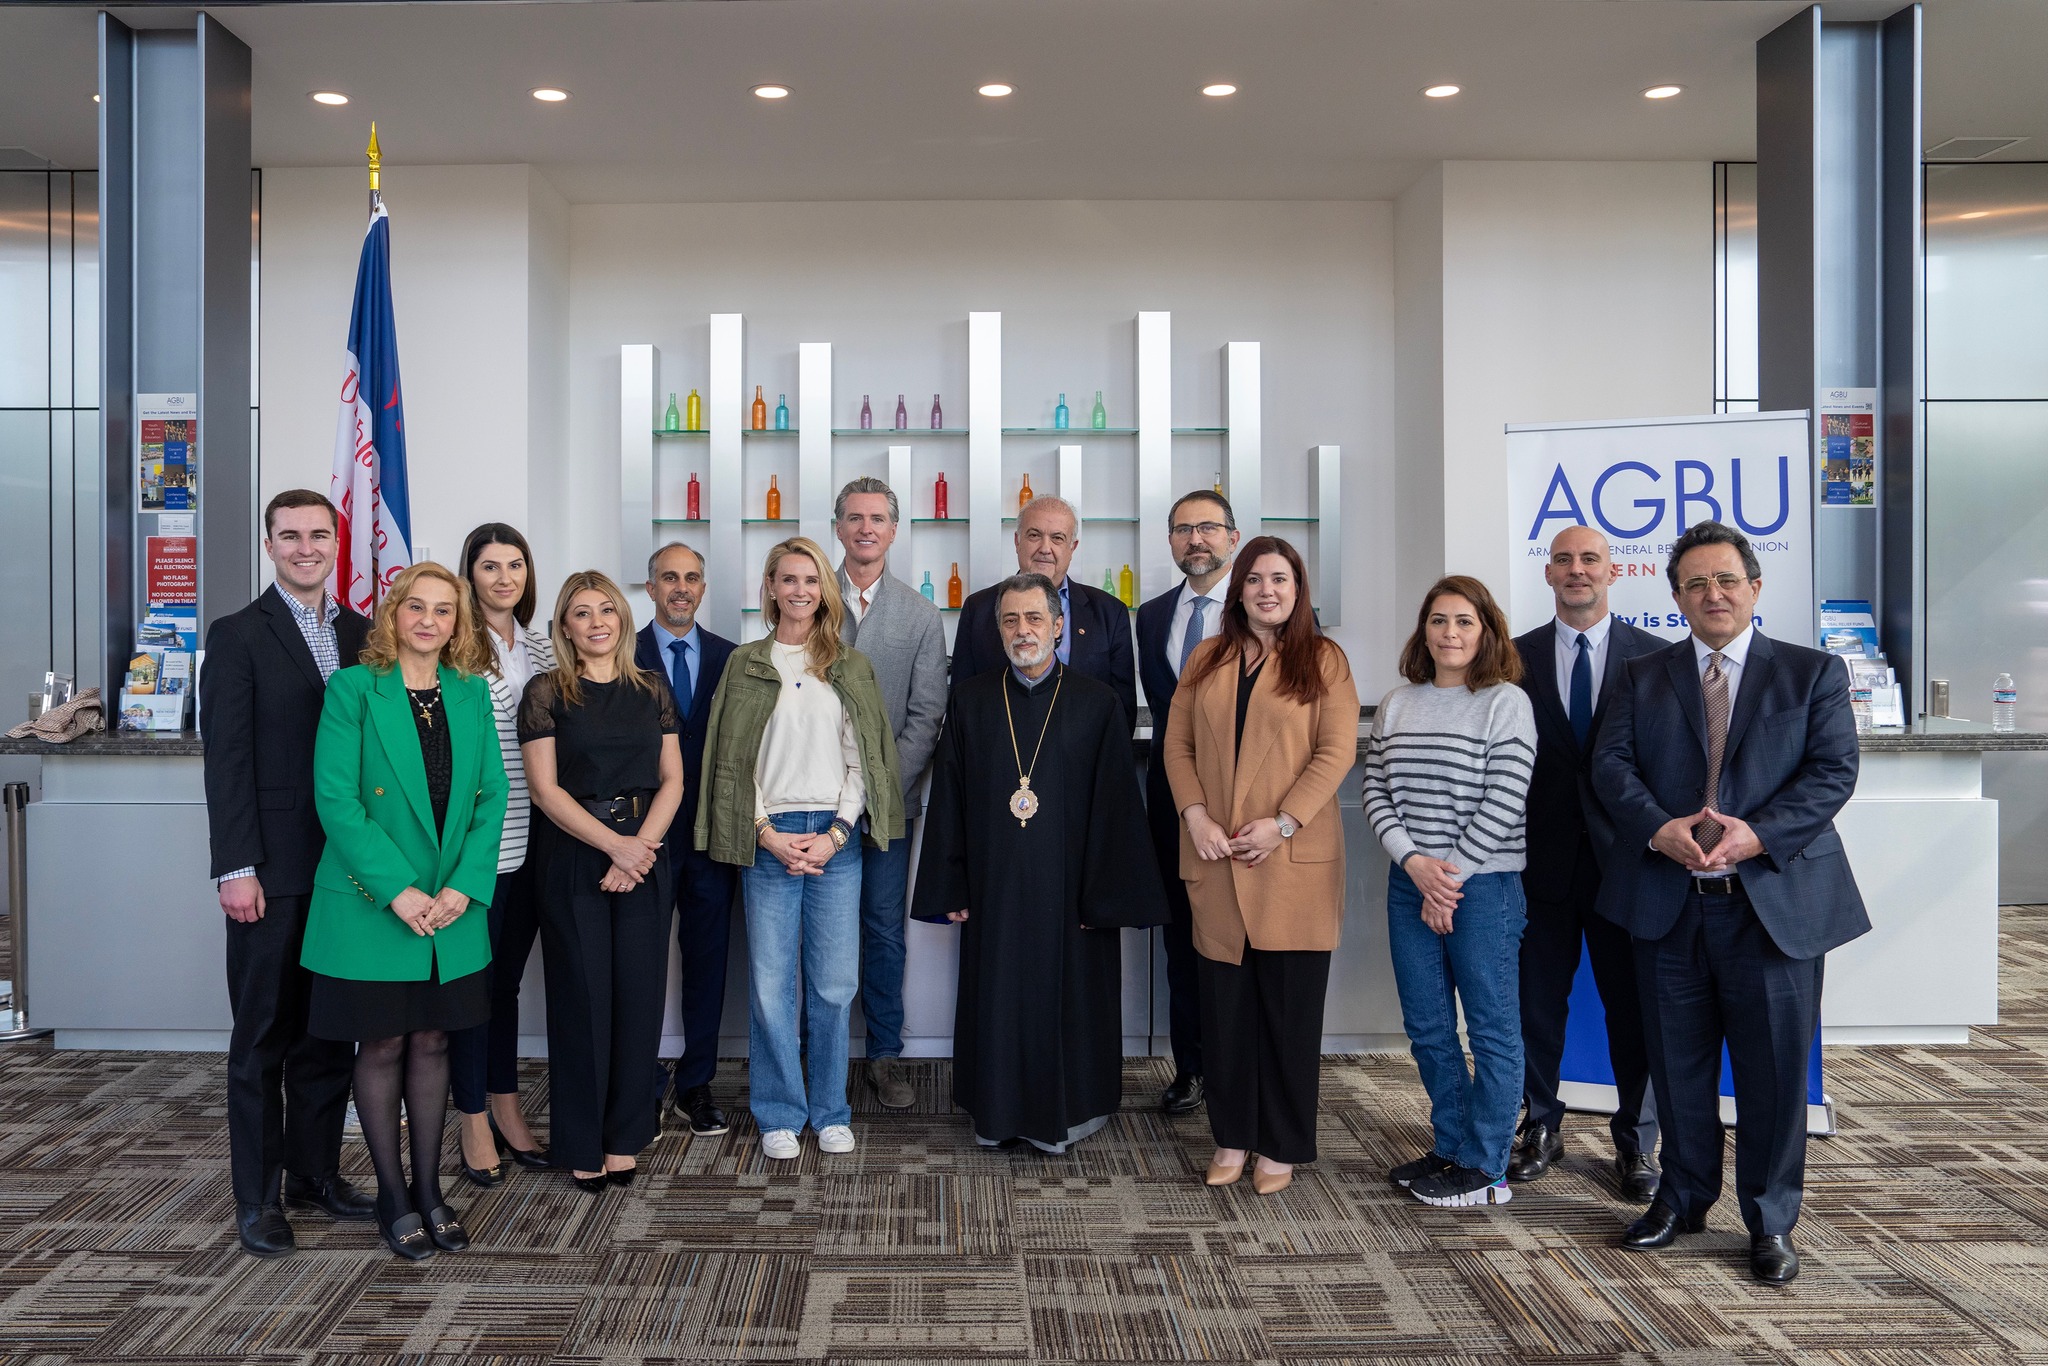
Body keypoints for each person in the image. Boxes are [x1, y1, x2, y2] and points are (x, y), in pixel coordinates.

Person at [1592, 520, 1867, 1286]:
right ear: (1676, 596)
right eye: (1695, 584)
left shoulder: (1811, 673)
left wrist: (1757, 835)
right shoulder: (1645, 675)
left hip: (1772, 905)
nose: (1712, 594)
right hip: (1668, 901)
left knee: (1774, 1075)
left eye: (1726, 580)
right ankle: (1681, 1200)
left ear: (1754, 586)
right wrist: (1658, 828)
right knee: (1676, 1068)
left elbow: (1832, 772)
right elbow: (1609, 766)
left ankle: (1772, 1221)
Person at [914, 572, 1169, 1153]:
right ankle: (996, 1115)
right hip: (995, 885)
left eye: (1034, 619)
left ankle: (1072, 1112)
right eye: (1010, 620)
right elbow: (950, 798)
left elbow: (1115, 808)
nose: (1022, 631)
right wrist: (950, 883)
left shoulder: (1096, 702)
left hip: (1070, 893)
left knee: (1070, 997)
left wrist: (1101, 899)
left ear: (1058, 627)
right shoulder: (973, 700)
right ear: (997, 629)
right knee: (998, 995)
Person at [303, 561, 508, 1260]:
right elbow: (337, 800)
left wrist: (464, 887)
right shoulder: (355, 689)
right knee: (383, 1043)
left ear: (459, 623)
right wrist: (399, 890)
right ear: (392, 614)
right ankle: (392, 1195)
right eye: (416, 607)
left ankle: (430, 1189)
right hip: (375, 904)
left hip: (451, 905)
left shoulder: (472, 693)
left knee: (435, 1042)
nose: (429, 620)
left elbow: (491, 797)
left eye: (444, 611)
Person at [201, 488, 375, 1259]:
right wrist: (236, 868)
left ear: (337, 542)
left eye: (318, 535)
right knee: (262, 1040)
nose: (306, 547)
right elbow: (228, 763)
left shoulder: (366, 633)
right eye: (290, 536)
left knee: (329, 1037)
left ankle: (314, 1175)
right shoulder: (238, 635)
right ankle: (258, 1198)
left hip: (349, 873)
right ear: (269, 545)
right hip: (269, 873)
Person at [696, 538, 902, 1161]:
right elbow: (731, 764)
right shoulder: (745, 663)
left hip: (835, 837)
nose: (801, 590)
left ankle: (830, 1110)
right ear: (771, 587)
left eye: (811, 579)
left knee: (835, 985)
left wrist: (838, 832)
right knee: (769, 986)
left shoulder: (850, 665)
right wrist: (766, 833)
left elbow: (865, 759)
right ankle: (779, 1112)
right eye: (788, 579)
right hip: (769, 836)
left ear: (824, 589)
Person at [1163, 537, 1356, 1196]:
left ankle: (1281, 1144)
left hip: (1290, 861)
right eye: (1255, 580)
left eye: (1281, 579)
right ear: (1237, 590)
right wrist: (1196, 818)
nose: (1267, 590)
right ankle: (1232, 1136)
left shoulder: (1323, 660)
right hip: (1216, 857)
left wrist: (1281, 824)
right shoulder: (1206, 658)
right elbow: (1177, 746)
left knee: (1287, 1016)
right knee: (1226, 1017)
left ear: (1298, 589)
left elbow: (1335, 752)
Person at [1363, 575, 1536, 1209]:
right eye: (1439, 620)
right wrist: (1415, 865)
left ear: (1486, 630)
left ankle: (1487, 1167)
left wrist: (1449, 877)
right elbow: (1376, 791)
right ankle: (1452, 1143)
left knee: (1491, 1030)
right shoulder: (1397, 703)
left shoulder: (1505, 703)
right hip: (1411, 884)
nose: (1451, 633)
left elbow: (1505, 799)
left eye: (1465, 621)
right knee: (1429, 1026)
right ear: (1424, 630)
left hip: (1483, 887)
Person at [1507, 525, 1664, 1199]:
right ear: (1548, 575)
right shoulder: (1509, 659)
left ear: (1613, 571)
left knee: (1635, 1011)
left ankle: (1637, 1141)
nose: (1577, 571)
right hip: (1537, 865)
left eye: (1589, 560)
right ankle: (1539, 1124)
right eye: (1564, 561)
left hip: (1628, 868)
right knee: (1536, 1006)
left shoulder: (1658, 660)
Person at [521, 571, 685, 1191]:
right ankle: (582, 1142)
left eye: (607, 610)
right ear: (564, 626)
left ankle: (624, 1137)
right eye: (581, 612)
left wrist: (639, 850)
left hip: (646, 857)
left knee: (639, 1000)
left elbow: (671, 779)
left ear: (622, 619)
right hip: (575, 858)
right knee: (581, 1000)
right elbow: (544, 789)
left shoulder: (652, 690)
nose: (597, 622)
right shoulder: (546, 692)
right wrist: (615, 847)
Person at [447, 524, 557, 1186]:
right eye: (490, 566)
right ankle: (471, 1119)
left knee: (509, 983)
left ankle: (507, 1107)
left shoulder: (544, 646)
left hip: (541, 833)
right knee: (472, 987)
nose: (504, 577)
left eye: (515, 564)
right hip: (481, 840)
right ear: (471, 574)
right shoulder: (455, 649)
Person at [833, 479, 947, 1109]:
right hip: (809, 805)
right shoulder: (807, 599)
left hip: (886, 807)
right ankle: (812, 1053)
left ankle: (883, 1056)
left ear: (894, 530)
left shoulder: (920, 614)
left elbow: (926, 716)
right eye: (855, 518)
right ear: (839, 527)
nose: (866, 529)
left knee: (881, 930)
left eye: (878, 519)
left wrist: (876, 790)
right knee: (813, 932)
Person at [1136, 490, 1242, 1115]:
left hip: (1241, 799)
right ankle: (1192, 1067)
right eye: (1182, 530)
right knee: (1182, 936)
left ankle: (1237, 1065)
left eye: (1207, 528)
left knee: (1238, 939)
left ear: (1232, 536)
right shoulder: (1151, 616)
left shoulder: (1259, 607)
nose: (1195, 540)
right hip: (1170, 802)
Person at [634, 541, 740, 1137]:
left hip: (709, 836)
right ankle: (640, 1083)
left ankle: (696, 1085)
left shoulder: (733, 657)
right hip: (639, 837)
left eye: (692, 578)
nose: (681, 587)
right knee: (642, 963)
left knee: (707, 961)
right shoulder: (622, 650)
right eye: (669, 577)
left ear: (704, 589)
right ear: (650, 588)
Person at [951, 496, 1137, 734]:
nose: (1045, 548)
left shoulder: (1110, 612)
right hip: (1000, 758)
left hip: (1081, 762)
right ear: (1017, 541)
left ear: (1073, 547)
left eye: (1057, 538)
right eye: (1034, 535)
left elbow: (1122, 710)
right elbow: (961, 703)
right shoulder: (978, 608)